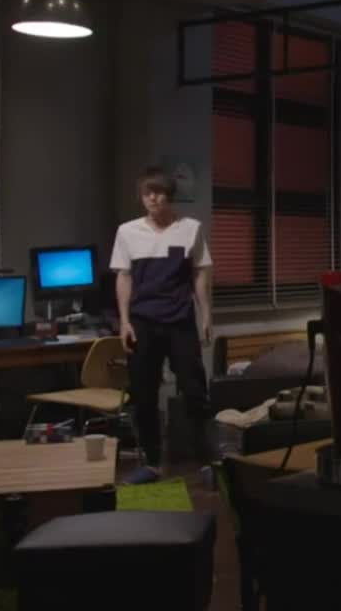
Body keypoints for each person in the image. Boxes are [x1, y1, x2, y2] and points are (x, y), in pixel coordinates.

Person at [110, 166, 215, 484]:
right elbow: (124, 276)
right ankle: (153, 462)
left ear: (170, 196)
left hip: (180, 321)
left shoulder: (190, 229)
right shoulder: (127, 232)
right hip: (142, 322)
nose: (153, 198)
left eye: (159, 193)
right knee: (143, 395)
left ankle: (208, 463)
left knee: (195, 391)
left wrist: (206, 314)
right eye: (147, 193)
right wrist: (124, 321)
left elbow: (201, 271)